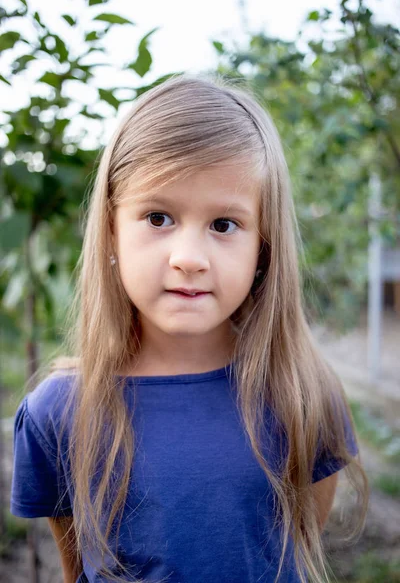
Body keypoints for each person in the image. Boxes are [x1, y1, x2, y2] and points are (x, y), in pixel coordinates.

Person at [10, 75, 369, 583]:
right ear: (111, 229)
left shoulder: (303, 397)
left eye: (224, 225)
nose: (189, 259)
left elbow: (295, 549)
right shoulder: (60, 414)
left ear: (263, 246)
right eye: (158, 217)